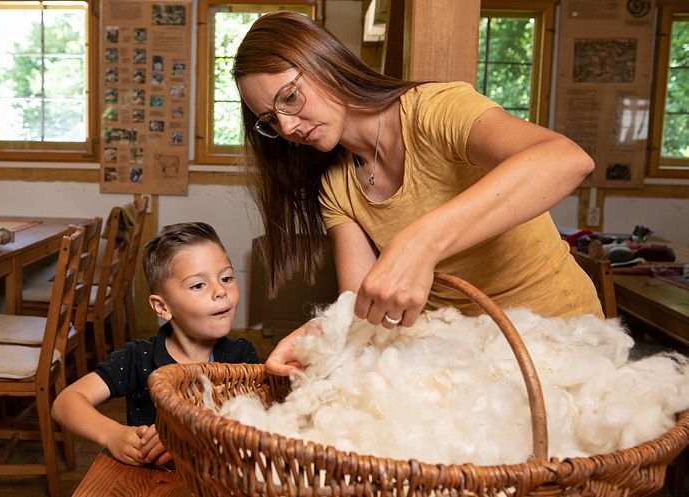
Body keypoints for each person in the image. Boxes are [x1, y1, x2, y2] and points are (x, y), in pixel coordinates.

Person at [233, 11, 603, 376]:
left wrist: (420, 243)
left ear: (325, 62)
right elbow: (363, 311)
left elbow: (566, 160)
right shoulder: (337, 186)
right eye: (270, 120)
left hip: (561, 342)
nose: (287, 126)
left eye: (291, 97)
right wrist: (315, 338)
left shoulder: (435, 111)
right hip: (464, 361)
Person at [52, 222, 259, 465]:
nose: (220, 291)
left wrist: (188, 436)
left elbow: (256, 428)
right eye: (198, 285)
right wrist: (111, 434)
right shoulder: (139, 358)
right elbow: (65, 402)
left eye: (226, 278)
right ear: (162, 307)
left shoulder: (242, 356)